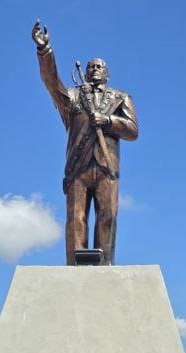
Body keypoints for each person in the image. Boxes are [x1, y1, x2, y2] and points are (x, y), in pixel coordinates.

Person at [32, 20, 139, 266]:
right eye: (90, 66)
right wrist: (44, 51)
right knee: (76, 218)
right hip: (77, 165)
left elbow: (133, 130)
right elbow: (51, 82)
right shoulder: (71, 97)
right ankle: (75, 265)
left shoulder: (120, 98)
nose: (94, 69)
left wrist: (109, 120)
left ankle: (105, 264)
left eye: (99, 66)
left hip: (106, 165)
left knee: (108, 216)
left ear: (107, 73)